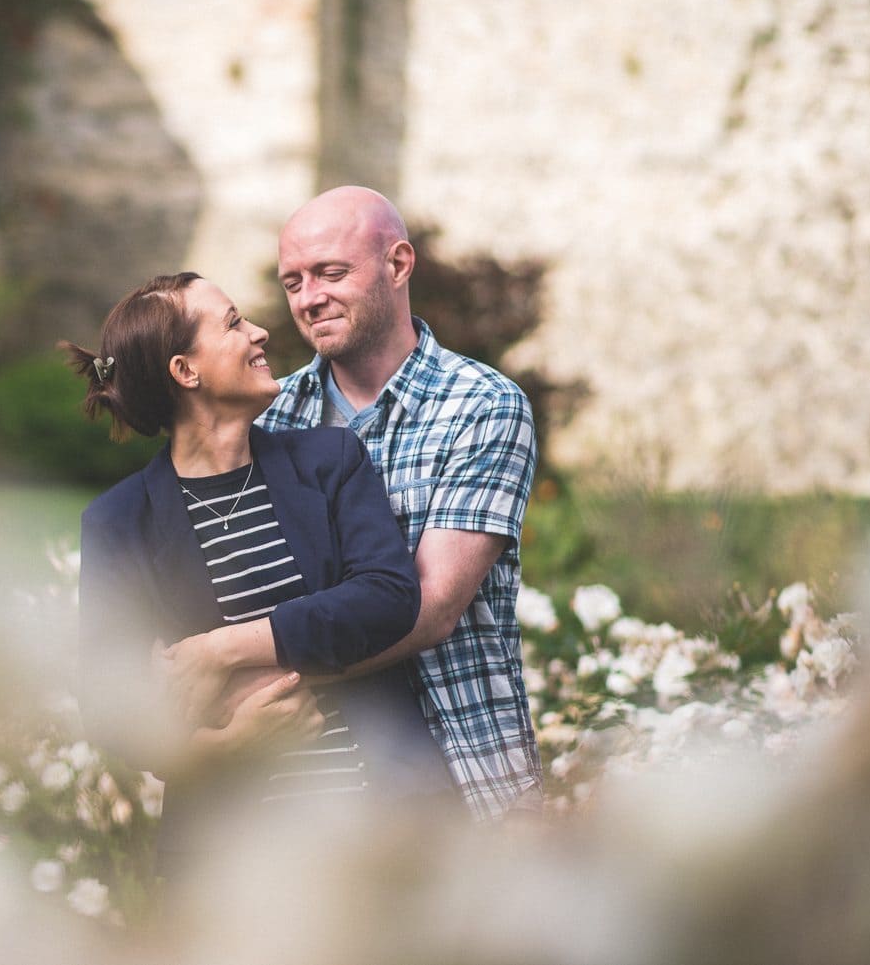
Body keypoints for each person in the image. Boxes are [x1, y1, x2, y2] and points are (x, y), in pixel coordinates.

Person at [68, 272, 456, 878]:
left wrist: (221, 650)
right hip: (235, 865)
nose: (260, 332)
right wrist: (222, 751)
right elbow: (111, 708)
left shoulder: (330, 459)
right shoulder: (120, 523)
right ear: (185, 372)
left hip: (385, 829)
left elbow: (389, 596)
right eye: (231, 323)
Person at [251, 185, 543, 820]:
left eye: (331, 273)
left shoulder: (482, 405)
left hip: (454, 760)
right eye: (293, 281)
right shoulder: (270, 415)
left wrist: (257, 676)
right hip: (302, 775)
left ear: (399, 264)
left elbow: (434, 606)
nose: (309, 298)